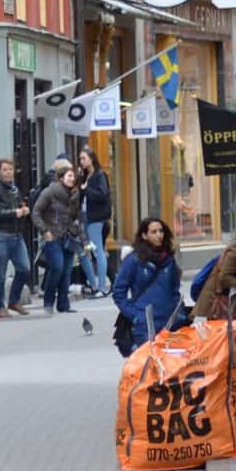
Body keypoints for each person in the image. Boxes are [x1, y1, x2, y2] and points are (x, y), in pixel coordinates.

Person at [110, 217, 182, 356]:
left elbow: (174, 290)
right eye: (154, 232)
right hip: (145, 324)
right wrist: (136, 316)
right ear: (144, 235)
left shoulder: (169, 260)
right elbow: (118, 293)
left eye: (161, 231)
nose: (159, 235)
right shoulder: (134, 260)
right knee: (148, 366)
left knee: (169, 368)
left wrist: (179, 313)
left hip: (169, 323)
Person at [32, 165, 84, 314]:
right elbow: (36, 213)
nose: (72, 179)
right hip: (53, 236)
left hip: (69, 237)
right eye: (69, 176)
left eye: (73, 176)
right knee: (57, 268)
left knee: (67, 271)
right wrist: (44, 231)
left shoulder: (74, 195)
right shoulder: (49, 192)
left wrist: (84, 241)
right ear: (61, 178)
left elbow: (78, 218)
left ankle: (63, 305)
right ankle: (48, 302)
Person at [0, 158, 32, 317]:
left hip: (16, 236)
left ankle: (13, 301)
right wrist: (14, 213)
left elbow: (19, 206)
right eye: (5, 169)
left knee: (24, 269)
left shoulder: (14, 189)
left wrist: (24, 210)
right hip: (0, 236)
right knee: (0, 273)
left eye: (11, 169)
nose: (9, 172)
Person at [75, 150, 113, 296]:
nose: (81, 161)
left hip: (96, 218)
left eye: (84, 158)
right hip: (85, 216)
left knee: (98, 251)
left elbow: (103, 195)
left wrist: (87, 190)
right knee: (85, 251)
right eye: (80, 159)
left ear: (91, 159)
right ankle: (94, 285)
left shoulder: (99, 175)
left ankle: (102, 287)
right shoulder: (85, 176)